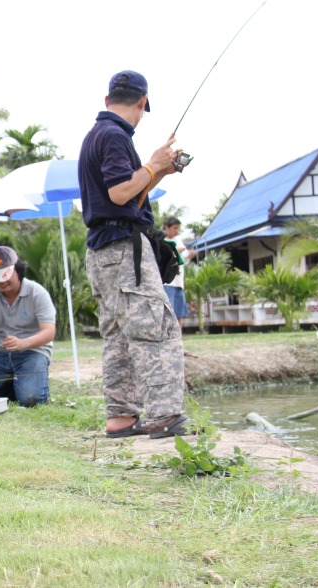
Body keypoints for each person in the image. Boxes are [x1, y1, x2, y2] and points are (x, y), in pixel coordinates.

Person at [78, 70, 190, 440]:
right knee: (156, 329)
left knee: (118, 336)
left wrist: (159, 172)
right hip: (125, 250)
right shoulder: (113, 135)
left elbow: (132, 193)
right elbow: (121, 194)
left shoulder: (98, 135)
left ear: (108, 98)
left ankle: (121, 418)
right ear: (142, 103)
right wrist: (152, 164)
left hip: (103, 251)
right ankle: (162, 416)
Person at [0, 247, 56, 407]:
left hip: (34, 351)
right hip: (1, 354)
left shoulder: (37, 293)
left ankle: (26, 383)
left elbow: (49, 332)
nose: (1, 282)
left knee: (31, 399)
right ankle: (17, 384)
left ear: (19, 271)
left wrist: (23, 343)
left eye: (6, 276)